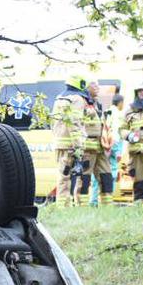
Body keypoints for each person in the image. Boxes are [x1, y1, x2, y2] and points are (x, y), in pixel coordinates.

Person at [52, 75, 90, 205]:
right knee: (68, 177)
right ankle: (64, 206)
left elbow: (54, 122)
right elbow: (75, 123)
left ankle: (62, 205)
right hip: (71, 145)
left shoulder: (60, 98)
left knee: (62, 175)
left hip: (59, 142)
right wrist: (78, 145)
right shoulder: (77, 99)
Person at [80, 81, 114, 206]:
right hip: (88, 148)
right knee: (84, 179)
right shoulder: (81, 103)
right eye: (94, 85)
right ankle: (81, 207)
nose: (97, 87)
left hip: (101, 147)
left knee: (106, 177)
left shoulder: (98, 104)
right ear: (86, 88)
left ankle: (107, 207)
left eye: (98, 85)